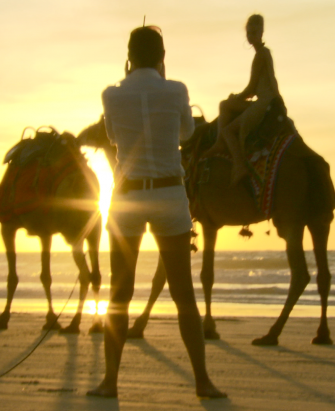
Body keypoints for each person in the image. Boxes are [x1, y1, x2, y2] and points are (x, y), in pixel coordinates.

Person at [86, 26, 226, 399]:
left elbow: (114, 138)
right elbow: (185, 132)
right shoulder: (176, 89)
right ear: (162, 57)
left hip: (128, 197)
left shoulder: (111, 95)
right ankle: (202, 381)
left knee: (120, 292)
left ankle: (110, 383)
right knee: (184, 294)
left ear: (129, 57)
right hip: (168, 194)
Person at [210, 14, 281, 184]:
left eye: (254, 32)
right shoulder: (265, 53)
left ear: (261, 32)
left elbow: (251, 88)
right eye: (249, 33)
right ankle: (220, 144)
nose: (251, 36)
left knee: (228, 128)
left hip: (263, 104)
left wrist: (237, 96)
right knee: (225, 104)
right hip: (266, 100)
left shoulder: (260, 56)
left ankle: (238, 164)